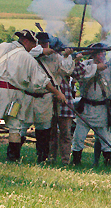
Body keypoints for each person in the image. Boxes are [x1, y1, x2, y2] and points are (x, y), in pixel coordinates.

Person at [0, 29, 66, 161]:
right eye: (32, 43)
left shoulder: (0, 47)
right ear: (26, 41)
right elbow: (43, 81)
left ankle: (13, 158)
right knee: (15, 125)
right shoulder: (27, 58)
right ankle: (13, 158)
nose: (33, 47)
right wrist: (57, 93)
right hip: (14, 95)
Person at [20, 32, 74, 163]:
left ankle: (42, 158)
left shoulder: (55, 57)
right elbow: (32, 53)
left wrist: (67, 56)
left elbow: (67, 71)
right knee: (21, 128)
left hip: (45, 97)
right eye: (41, 42)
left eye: (46, 42)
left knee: (43, 129)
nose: (44, 44)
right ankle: (14, 154)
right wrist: (44, 51)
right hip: (27, 97)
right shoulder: (29, 54)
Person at [70, 43, 111, 166]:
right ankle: (76, 161)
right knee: (78, 138)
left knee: (106, 139)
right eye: (99, 53)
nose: (101, 55)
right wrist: (98, 67)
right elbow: (81, 74)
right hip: (86, 107)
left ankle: (107, 163)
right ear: (93, 54)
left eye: (103, 53)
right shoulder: (86, 65)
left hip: (102, 108)